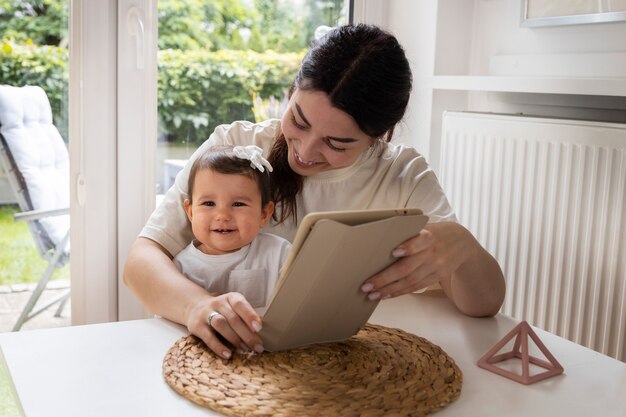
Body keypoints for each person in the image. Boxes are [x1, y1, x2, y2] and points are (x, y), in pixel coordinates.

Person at [124, 23, 505, 359]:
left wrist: (463, 247)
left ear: (378, 137)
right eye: (298, 120)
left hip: (348, 365)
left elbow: (484, 305)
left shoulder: (402, 176)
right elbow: (141, 262)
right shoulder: (236, 147)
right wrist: (197, 306)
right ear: (291, 93)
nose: (305, 152)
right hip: (229, 366)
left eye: (337, 143)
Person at [173, 145, 291, 316]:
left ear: (264, 214)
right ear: (190, 211)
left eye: (238, 204)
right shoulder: (181, 268)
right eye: (209, 203)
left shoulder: (279, 253)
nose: (222, 215)